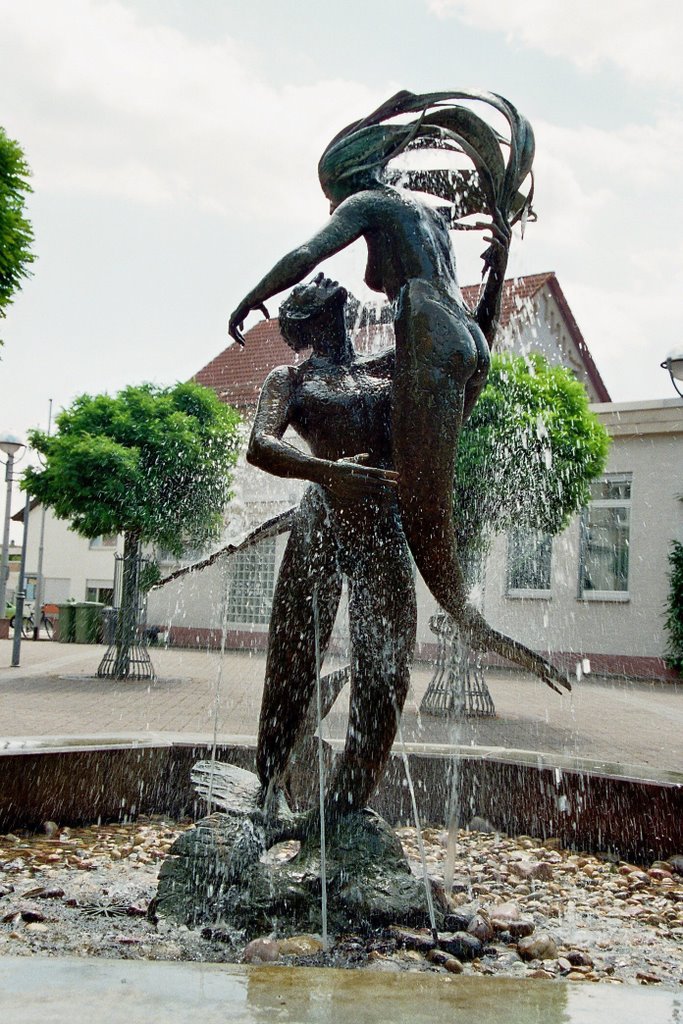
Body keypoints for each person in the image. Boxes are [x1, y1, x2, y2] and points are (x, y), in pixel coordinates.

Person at [230, 89, 569, 693]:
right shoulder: (429, 217)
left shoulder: (367, 204)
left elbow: (308, 252)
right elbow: (461, 322)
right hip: (467, 330)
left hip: (433, 328)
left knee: (423, 505)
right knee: (425, 502)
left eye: (332, 197)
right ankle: (462, 612)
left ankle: (462, 614)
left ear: (346, 178)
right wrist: (500, 265)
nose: (336, 209)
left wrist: (255, 293)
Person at [248, 273, 417, 823]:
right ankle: (267, 789)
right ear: (301, 319)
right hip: (319, 520)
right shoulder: (290, 379)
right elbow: (260, 444)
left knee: (387, 670)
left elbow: (460, 356)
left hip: (379, 528)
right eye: (305, 287)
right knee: (293, 662)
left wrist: (491, 280)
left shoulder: (385, 367)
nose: (321, 273)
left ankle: (344, 808)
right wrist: (327, 472)